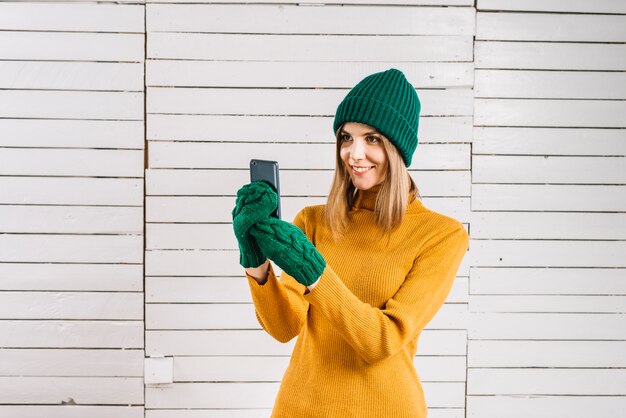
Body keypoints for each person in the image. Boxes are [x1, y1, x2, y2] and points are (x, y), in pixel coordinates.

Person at [232, 68, 469, 418]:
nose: (354, 154)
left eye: (372, 139)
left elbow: (382, 341)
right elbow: (285, 328)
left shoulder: (441, 235)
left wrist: (315, 272)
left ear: (398, 147)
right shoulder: (312, 221)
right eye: (346, 137)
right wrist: (256, 262)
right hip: (300, 408)